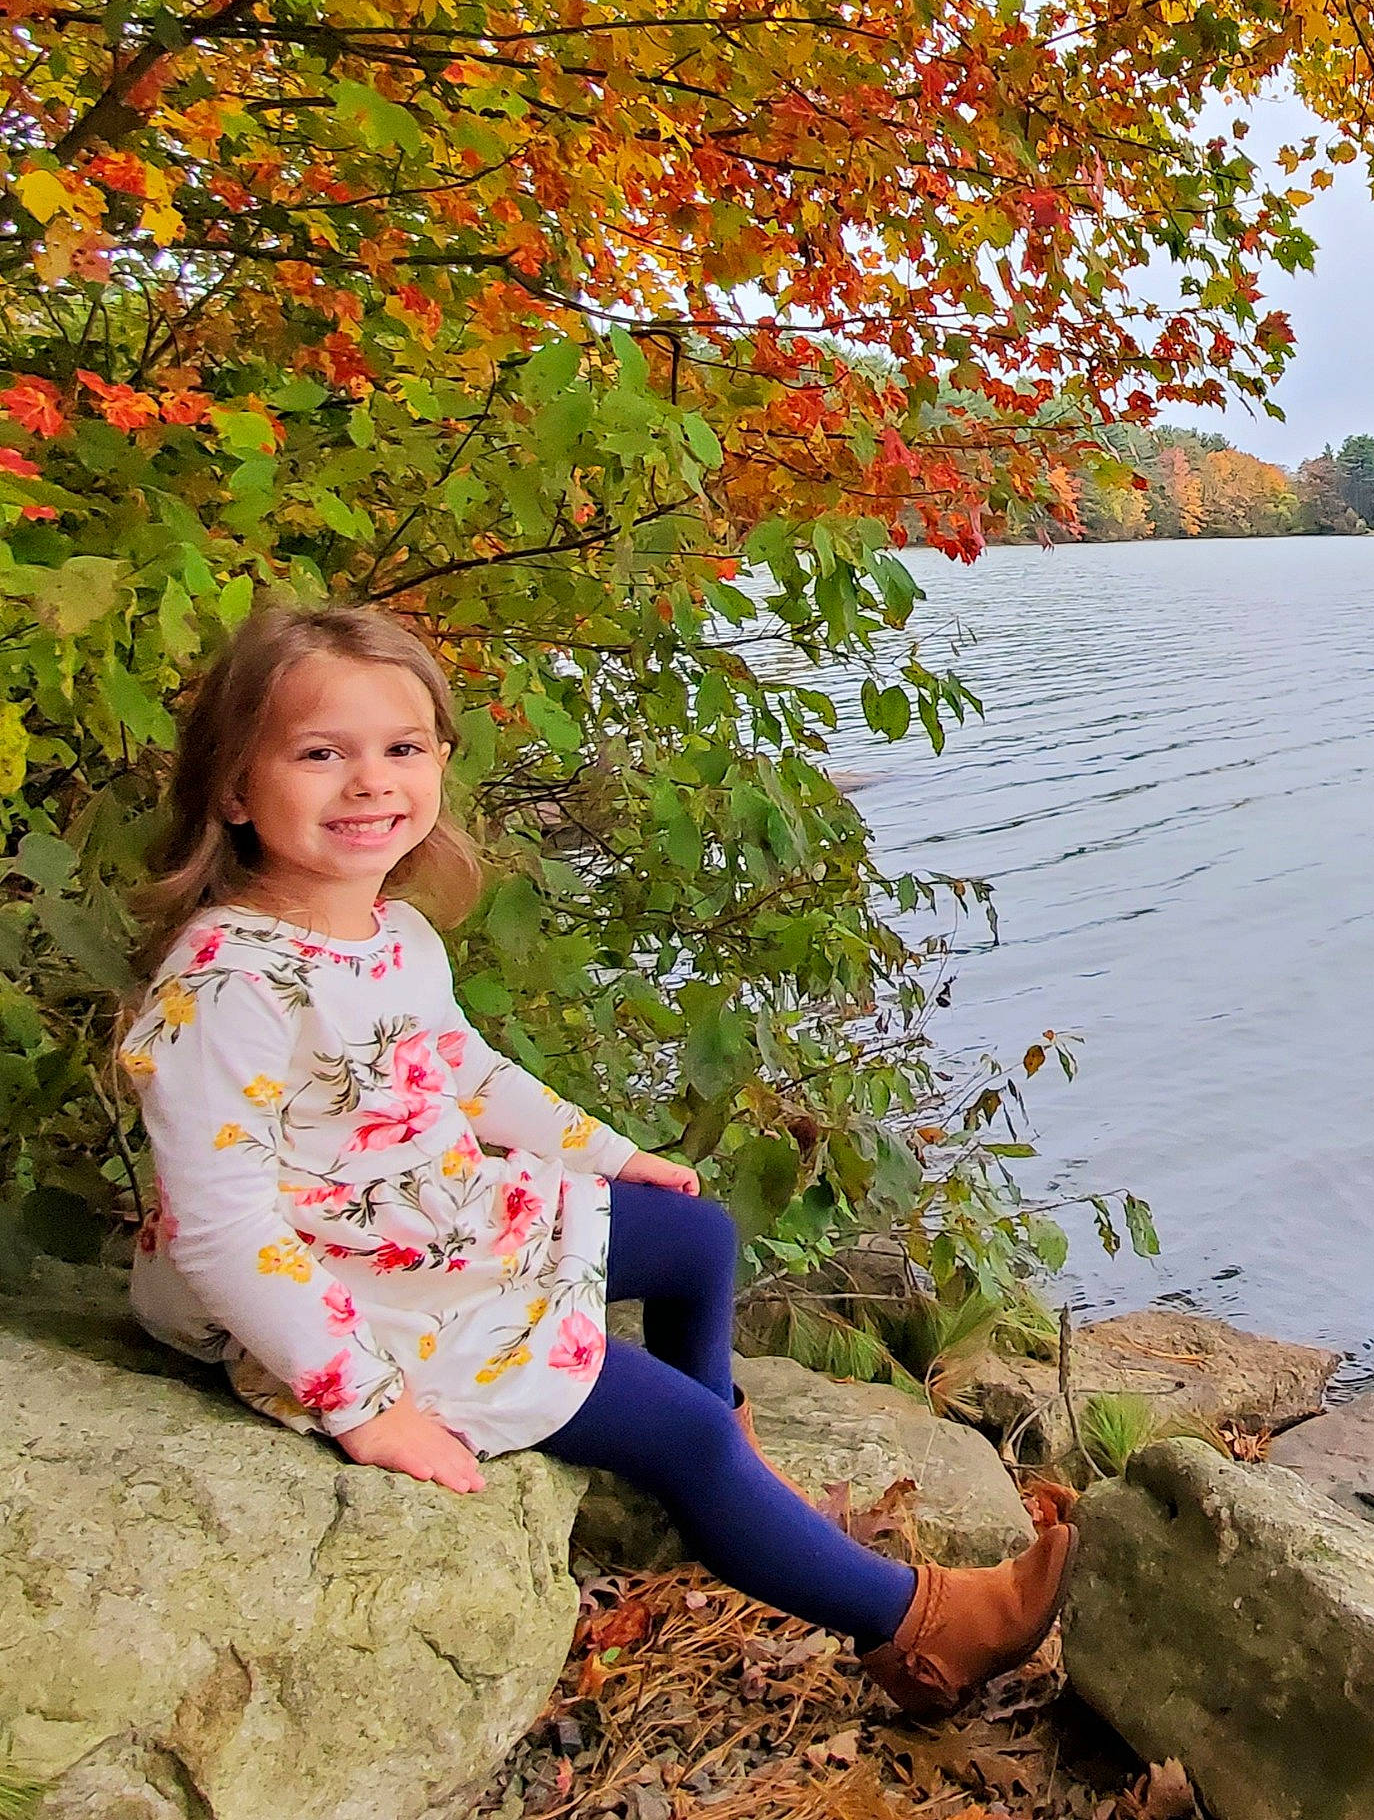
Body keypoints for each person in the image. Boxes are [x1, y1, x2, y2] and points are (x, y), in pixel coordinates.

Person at [119, 602, 1074, 1714]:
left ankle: (730, 1488)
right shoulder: (229, 982)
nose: (371, 782)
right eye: (321, 753)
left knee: (694, 1234)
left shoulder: (390, 929)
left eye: (402, 748)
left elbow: (462, 1070)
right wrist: (366, 1403)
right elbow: (227, 1225)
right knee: (686, 1429)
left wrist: (611, 1152)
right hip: (334, 1294)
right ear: (235, 788)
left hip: (421, 1218)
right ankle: (919, 1628)